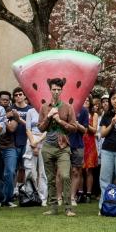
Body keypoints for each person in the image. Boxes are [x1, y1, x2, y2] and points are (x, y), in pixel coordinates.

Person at [37, 77, 82, 216]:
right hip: (48, 147)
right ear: (50, 90)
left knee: (65, 175)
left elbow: (74, 128)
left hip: (63, 147)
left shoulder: (68, 107)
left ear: (62, 90)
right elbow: (40, 128)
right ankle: (53, 207)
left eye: (58, 89)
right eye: (53, 89)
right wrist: (49, 117)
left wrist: (59, 121)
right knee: (50, 178)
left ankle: (68, 208)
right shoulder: (44, 107)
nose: (56, 92)